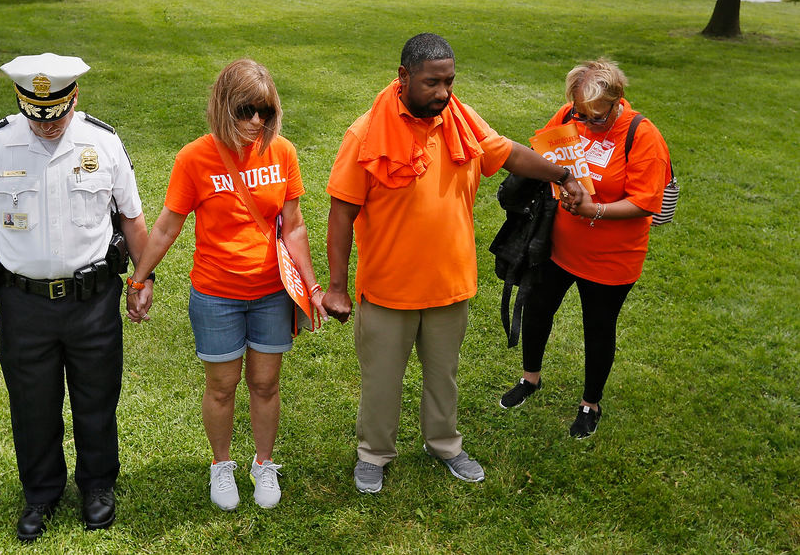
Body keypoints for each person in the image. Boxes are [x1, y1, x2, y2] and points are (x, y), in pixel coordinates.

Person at [322, 34, 585, 493]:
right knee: (382, 382)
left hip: (449, 284)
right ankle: (374, 453)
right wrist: (337, 286)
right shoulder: (365, 134)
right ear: (403, 77)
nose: (443, 93)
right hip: (388, 289)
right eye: (432, 83)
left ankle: (444, 443)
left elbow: (507, 154)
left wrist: (562, 173)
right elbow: (341, 214)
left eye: (449, 81)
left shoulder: (458, 119)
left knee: (443, 377)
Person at [0, 53, 150, 542]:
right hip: (23, 302)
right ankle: (41, 492)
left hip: (94, 299)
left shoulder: (103, 141)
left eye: (57, 115)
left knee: (97, 399)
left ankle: (98, 486)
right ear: (23, 104)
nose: (48, 126)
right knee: (32, 404)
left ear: (73, 98)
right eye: (38, 117)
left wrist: (143, 280)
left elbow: (132, 219)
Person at [126, 59, 327, 511]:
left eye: (266, 111)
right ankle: (221, 466)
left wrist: (311, 287)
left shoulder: (284, 153)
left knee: (266, 384)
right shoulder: (195, 158)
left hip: (273, 292)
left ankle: (263, 463)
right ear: (223, 107)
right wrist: (139, 278)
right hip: (216, 295)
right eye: (246, 110)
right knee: (221, 385)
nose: (257, 121)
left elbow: (293, 225)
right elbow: (165, 228)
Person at [499, 59, 670, 439]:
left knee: (598, 327)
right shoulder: (568, 114)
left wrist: (594, 209)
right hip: (557, 245)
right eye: (580, 114)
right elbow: (542, 150)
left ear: (617, 100)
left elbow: (645, 202)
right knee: (538, 309)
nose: (586, 123)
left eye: (596, 117)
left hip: (612, 257)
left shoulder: (642, 135)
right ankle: (530, 379)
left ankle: (590, 403)